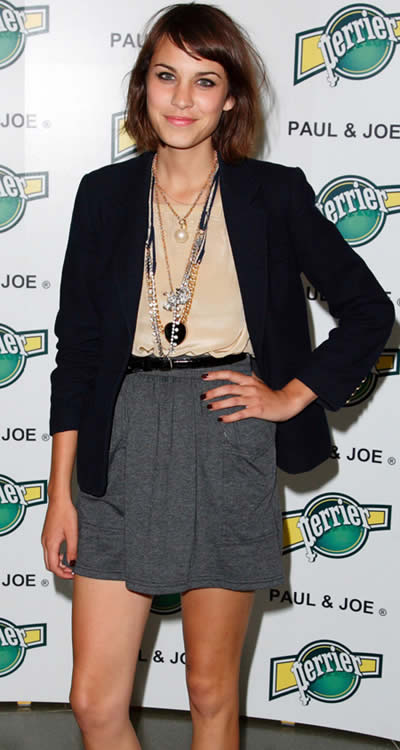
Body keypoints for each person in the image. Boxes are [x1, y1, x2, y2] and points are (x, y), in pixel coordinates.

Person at [41, 3, 394, 749]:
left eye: (205, 81)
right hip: (117, 441)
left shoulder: (274, 194)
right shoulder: (103, 195)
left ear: (230, 98)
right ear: (142, 86)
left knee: (209, 691)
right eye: (166, 76)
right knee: (93, 702)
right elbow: (77, 353)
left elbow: (370, 310)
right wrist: (58, 495)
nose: (182, 98)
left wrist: (291, 395)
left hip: (226, 435)